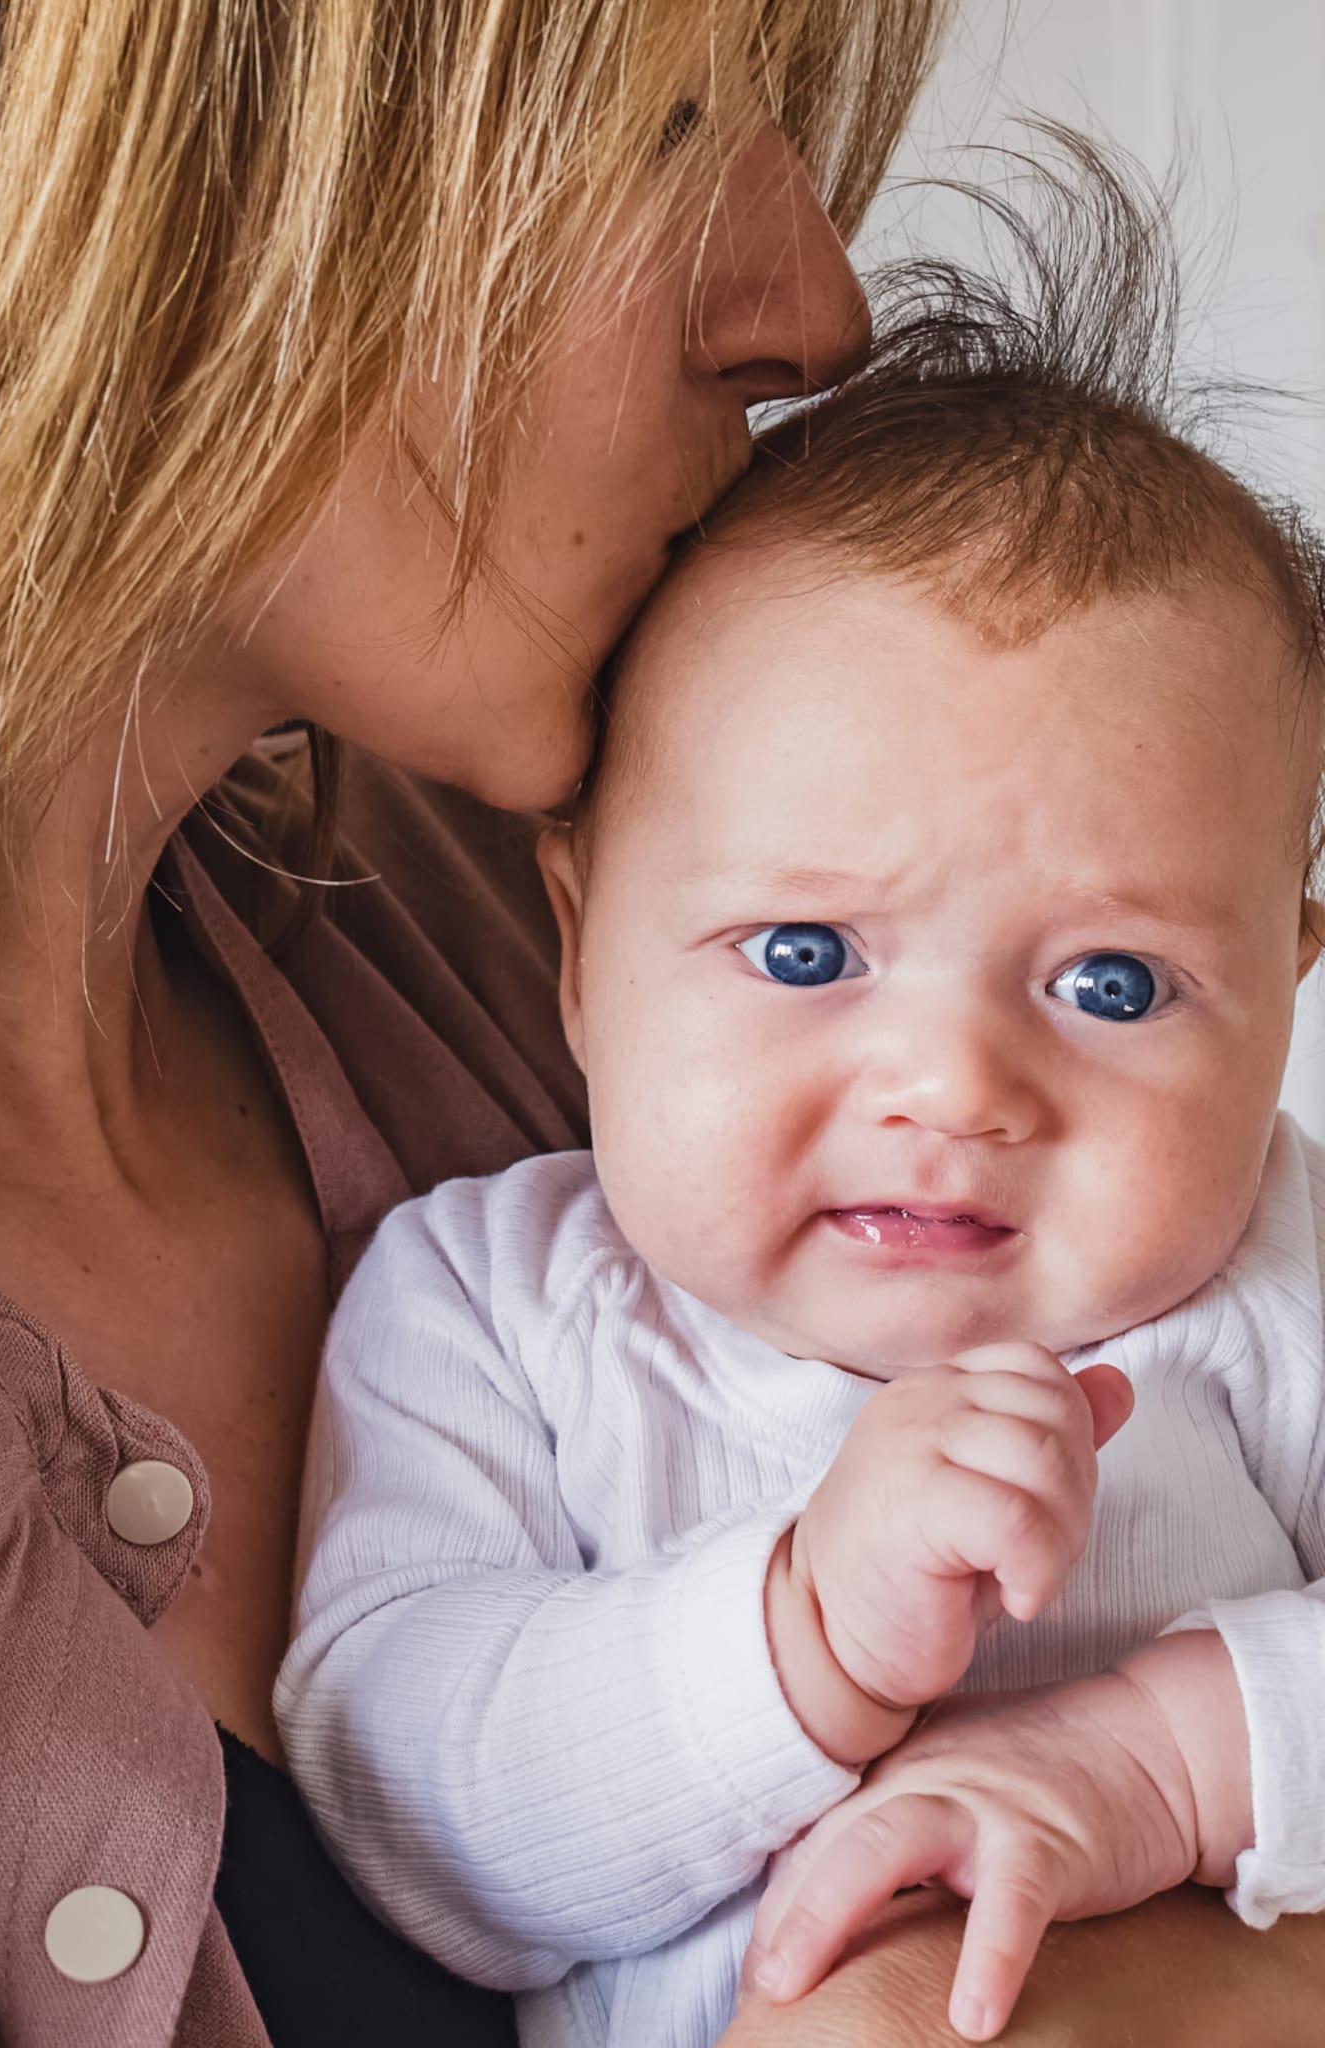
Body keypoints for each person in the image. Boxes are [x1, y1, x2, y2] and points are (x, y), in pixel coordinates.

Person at [0, 2, 1319, 2044]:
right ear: (140, 175)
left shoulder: (551, 905)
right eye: (676, 120)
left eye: (1107, 984)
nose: (816, 309)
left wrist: (1139, 1850)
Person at [276, 159, 1325, 2048]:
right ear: (579, 948)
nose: (951, 1088)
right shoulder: (493, 1313)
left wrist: (1167, 1762)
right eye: (803, 953)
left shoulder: (1273, 1276)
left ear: (1283, 1001)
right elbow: (400, 1796)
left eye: (1112, 985)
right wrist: (800, 1636)